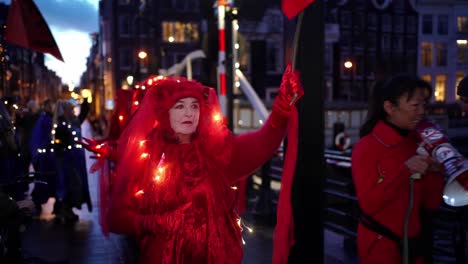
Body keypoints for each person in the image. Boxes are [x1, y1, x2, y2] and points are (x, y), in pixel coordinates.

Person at [107, 66, 303, 263]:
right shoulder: (147, 156)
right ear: (165, 112)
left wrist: (282, 105)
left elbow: (263, 141)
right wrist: (158, 222)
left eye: (194, 106)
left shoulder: (215, 151)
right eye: (180, 106)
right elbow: (116, 218)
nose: (189, 113)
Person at [351, 74, 445, 264]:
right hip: (381, 246)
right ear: (389, 108)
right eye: (415, 105)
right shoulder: (366, 147)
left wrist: (435, 172)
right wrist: (404, 171)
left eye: (423, 105)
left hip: (415, 247)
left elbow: (432, 203)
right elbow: (368, 204)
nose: (422, 112)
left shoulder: (417, 143)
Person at [52, 99, 92, 222]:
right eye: (69, 108)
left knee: (75, 184)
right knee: (70, 184)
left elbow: (82, 114)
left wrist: (86, 102)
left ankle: (68, 209)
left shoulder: (73, 120)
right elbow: (58, 143)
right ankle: (65, 210)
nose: (72, 110)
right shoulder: (61, 124)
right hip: (66, 159)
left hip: (74, 158)